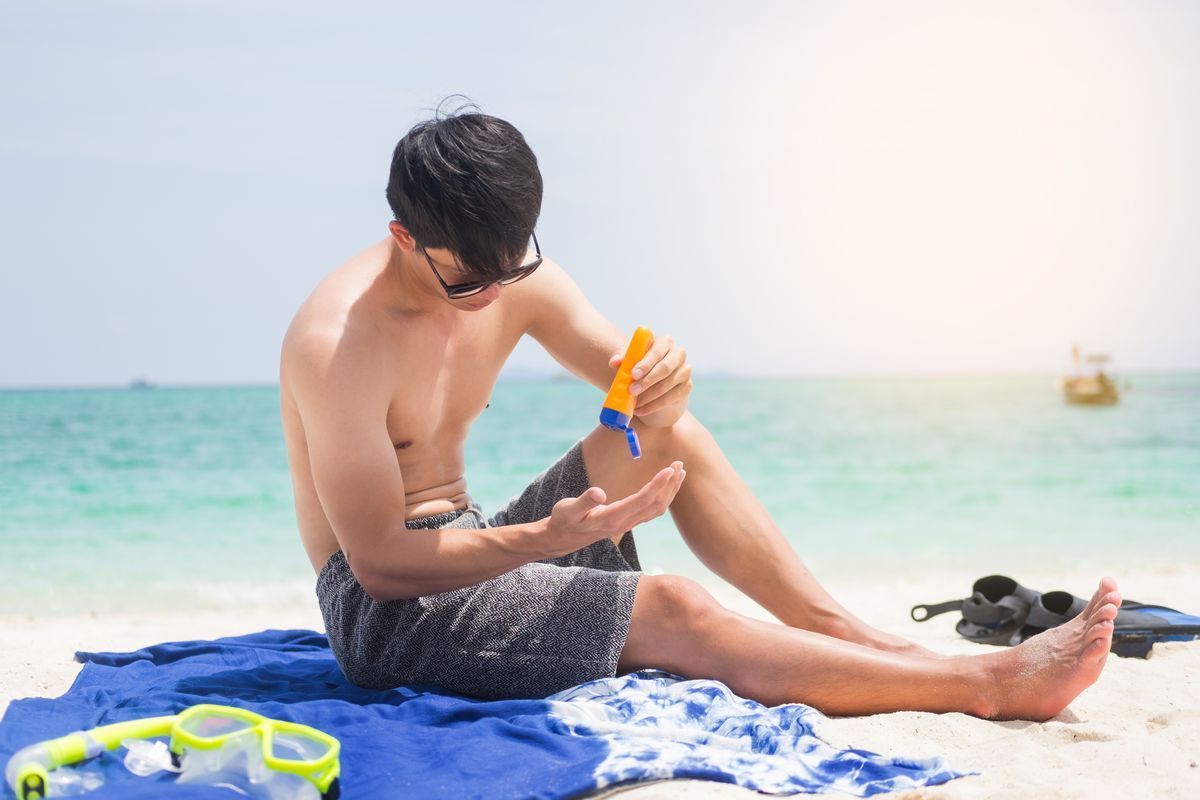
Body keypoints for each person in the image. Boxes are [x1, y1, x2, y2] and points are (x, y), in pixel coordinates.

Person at [279, 103, 1120, 721]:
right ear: (403, 237)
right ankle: (989, 687)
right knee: (674, 606)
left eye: (511, 268)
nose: (492, 295)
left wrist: (661, 379)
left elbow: (631, 381)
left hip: (477, 544)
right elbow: (383, 564)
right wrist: (547, 540)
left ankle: (854, 635)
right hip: (387, 614)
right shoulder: (337, 343)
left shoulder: (507, 276)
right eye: (466, 280)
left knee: (668, 435)